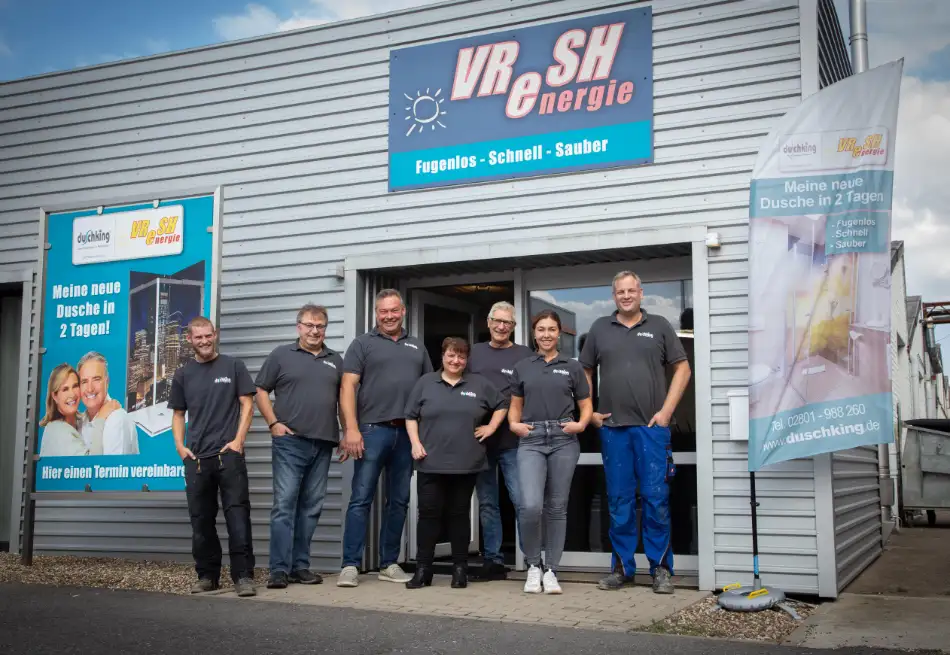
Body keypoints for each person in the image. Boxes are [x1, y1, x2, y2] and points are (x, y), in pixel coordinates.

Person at [579, 271, 691, 594]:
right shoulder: (600, 328)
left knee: (656, 500)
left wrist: (666, 412)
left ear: (641, 293)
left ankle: (660, 569)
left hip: (651, 430)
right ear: (614, 296)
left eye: (631, 290)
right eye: (620, 292)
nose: (626, 296)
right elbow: (584, 370)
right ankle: (622, 569)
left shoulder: (660, 326)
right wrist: (589, 412)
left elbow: (683, 369)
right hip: (613, 430)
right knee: (619, 501)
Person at [337, 289, 433, 587]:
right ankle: (350, 565)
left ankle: (388, 563)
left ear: (403, 311)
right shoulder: (362, 344)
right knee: (361, 498)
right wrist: (350, 429)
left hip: (406, 434)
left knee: (399, 500)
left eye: (394, 310)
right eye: (383, 311)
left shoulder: (417, 346)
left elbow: (429, 390)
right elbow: (347, 387)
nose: (388, 316)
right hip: (371, 431)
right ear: (376, 313)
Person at [403, 337, 507, 589]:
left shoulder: (479, 384)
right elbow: (411, 416)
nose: (456, 360)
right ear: (442, 356)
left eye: (461, 356)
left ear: (466, 359)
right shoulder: (426, 382)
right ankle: (423, 569)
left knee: (459, 515)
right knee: (429, 515)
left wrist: (491, 427)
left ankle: (460, 570)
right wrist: (415, 443)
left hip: (466, 462)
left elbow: (503, 403)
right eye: (451, 355)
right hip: (430, 461)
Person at [169, 316, 258, 597]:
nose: (205, 341)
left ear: (215, 334)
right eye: (199, 337)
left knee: (238, 517)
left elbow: (248, 404)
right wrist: (180, 447)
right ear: (190, 339)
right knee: (201, 521)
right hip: (196, 460)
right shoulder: (183, 374)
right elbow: (178, 414)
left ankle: (243, 577)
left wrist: (238, 441)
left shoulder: (233, 366)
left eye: (208, 335)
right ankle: (207, 576)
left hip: (228, 456)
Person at [256, 304, 344, 589]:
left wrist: (346, 432)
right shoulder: (281, 355)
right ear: (299, 327)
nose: (314, 331)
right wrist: (273, 423)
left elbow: (344, 400)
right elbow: (260, 390)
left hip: (324, 442)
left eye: (320, 326)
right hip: (290, 442)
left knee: (311, 507)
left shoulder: (336, 360)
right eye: (309, 325)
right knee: (284, 505)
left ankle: (300, 567)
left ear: (325, 329)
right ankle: (278, 570)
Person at [508, 310, 592, 594]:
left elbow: (586, 404)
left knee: (556, 507)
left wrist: (581, 424)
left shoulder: (572, 366)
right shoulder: (523, 366)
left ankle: (552, 570)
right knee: (530, 505)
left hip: (563, 439)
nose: (546, 334)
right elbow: (515, 405)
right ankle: (534, 565)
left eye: (551, 329)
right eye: (541, 329)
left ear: (559, 333)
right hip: (531, 439)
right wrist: (514, 424)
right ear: (534, 333)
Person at [467, 301, 532, 581]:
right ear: (489, 322)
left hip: (512, 441)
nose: (501, 326)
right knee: (487, 503)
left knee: (522, 501)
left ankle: (533, 560)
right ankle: (493, 561)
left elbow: (531, 392)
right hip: (480, 441)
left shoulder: (525, 354)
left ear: (514, 327)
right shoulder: (474, 353)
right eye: (497, 320)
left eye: (507, 322)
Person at [77, 352, 140, 456]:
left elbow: (111, 466)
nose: (90, 389)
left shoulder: (116, 419)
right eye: (84, 381)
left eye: (96, 379)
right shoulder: (80, 422)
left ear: (107, 381)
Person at [38, 364, 87, 457]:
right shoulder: (57, 431)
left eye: (75, 386)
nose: (72, 394)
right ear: (55, 396)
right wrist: (100, 419)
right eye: (65, 389)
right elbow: (91, 462)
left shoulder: (81, 422)